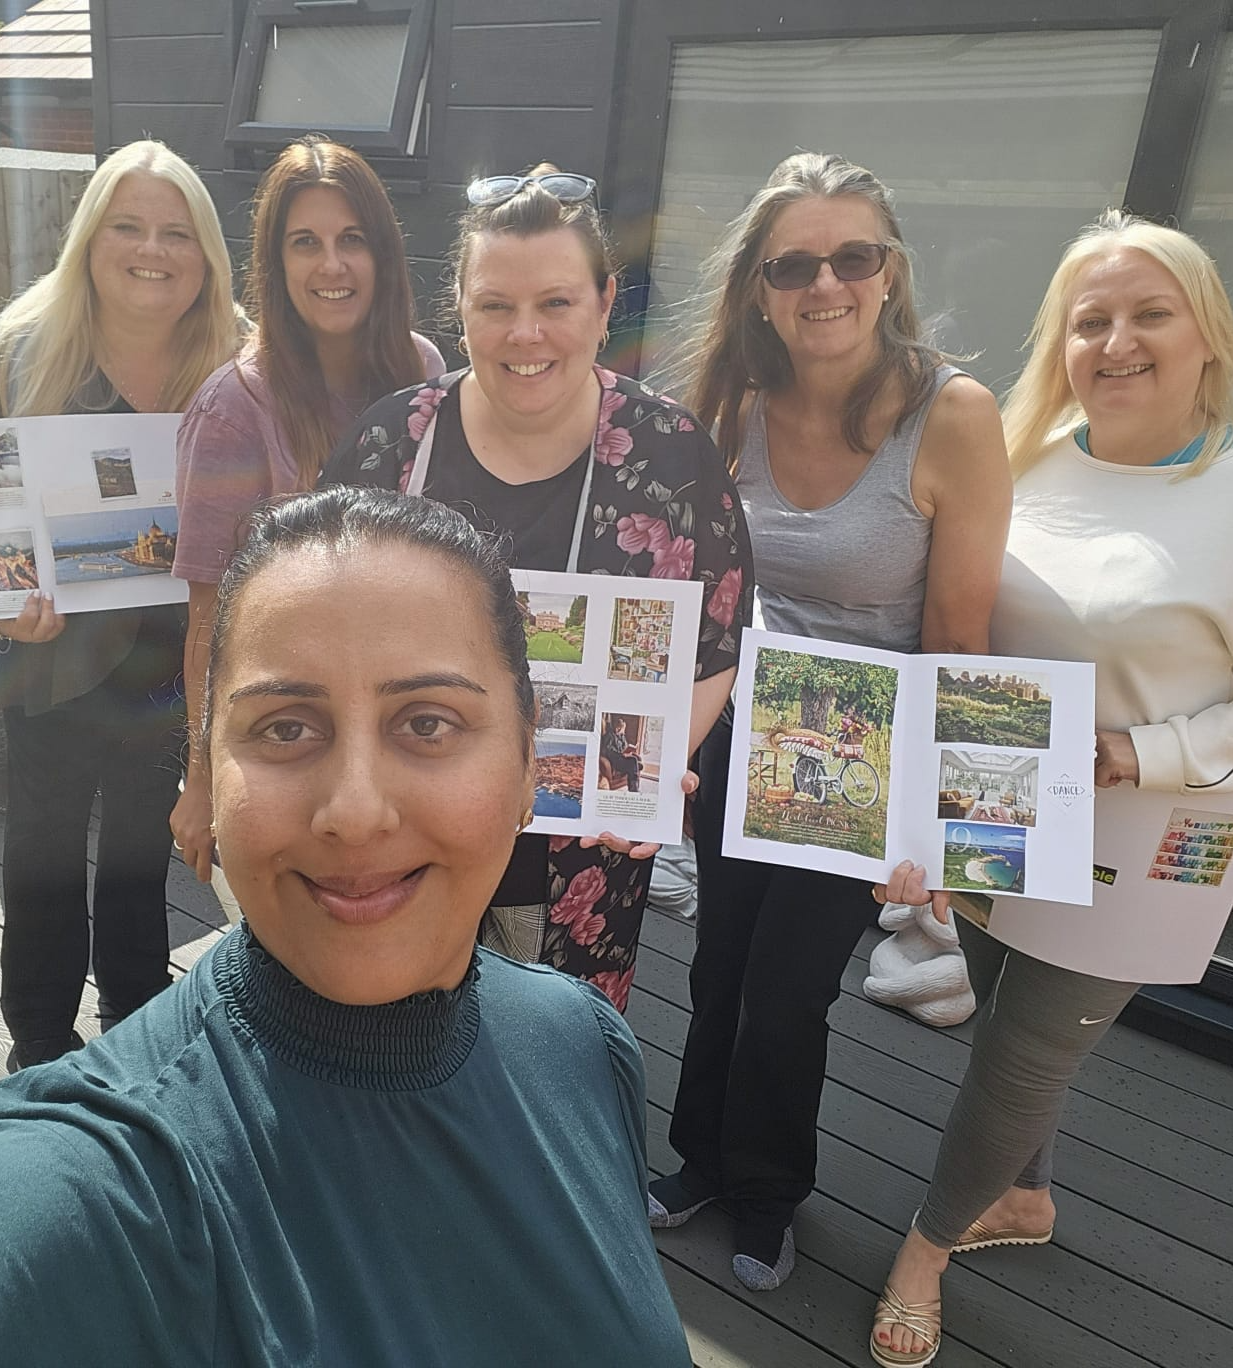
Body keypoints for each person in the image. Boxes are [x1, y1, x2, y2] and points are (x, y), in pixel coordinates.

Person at [0, 488, 694, 1368]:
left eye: (428, 723)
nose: (354, 811)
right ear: (209, 778)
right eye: (284, 728)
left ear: (531, 766)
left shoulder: (585, 1047)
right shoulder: (111, 1170)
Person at [868, 213, 1233, 1367]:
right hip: (1002, 802)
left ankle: (923, 1255)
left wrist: (1148, 753)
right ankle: (1024, 1199)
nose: (1117, 342)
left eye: (1150, 314)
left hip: (1147, 838)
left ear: (1207, 334)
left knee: (1023, 1058)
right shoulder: (1026, 449)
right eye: (1090, 319)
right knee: (997, 1006)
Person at [647, 151, 1012, 1291]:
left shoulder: (953, 415)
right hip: (739, 727)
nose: (825, 284)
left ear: (889, 270)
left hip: (861, 747)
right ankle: (698, 1157)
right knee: (719, 967)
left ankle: (767, 1190)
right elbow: (683, 581)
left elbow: (958, 634)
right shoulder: (727, 399)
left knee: (785, 994)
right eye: (792, 263)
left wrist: (948, 831)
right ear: (758, 287)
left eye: (852, 256)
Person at [321, 168, 753, 1013]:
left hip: (581, 847)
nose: (525, 335)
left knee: (555, 1056)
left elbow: (716, 637)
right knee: (383, 1031)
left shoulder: (672, 452)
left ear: (604, 302)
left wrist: (649, 768)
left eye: (555, 303)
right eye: (495, 305)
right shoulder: (386, 444)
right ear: (461, 305)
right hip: (400, 826)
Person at [0, 140, 243, 1072]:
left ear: (205, 254)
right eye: (128, 225)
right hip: (50, 654)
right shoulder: (13, 353)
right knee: (38, 853)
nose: (151, 250)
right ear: (89, 236)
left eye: (176, 232)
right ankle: (36, 1037)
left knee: (138, 850)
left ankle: (133, 1011)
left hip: (176, 656)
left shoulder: (234, 361)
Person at [168, 136, 445, 887]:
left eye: (352, 239)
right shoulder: (232, 408)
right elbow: (205, 618)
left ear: (383, 255)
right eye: (305, 243)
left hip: (408, 715)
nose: (332, 265)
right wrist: (201, 778)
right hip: (291, 731)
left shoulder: (423, 370)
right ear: (275, 263)